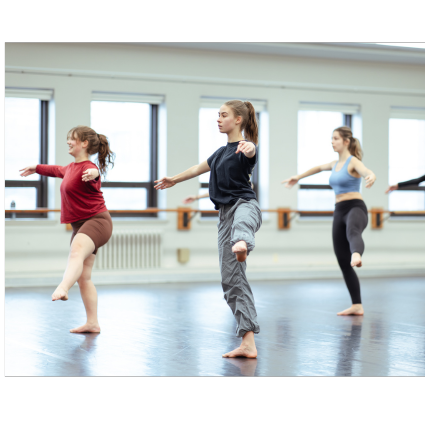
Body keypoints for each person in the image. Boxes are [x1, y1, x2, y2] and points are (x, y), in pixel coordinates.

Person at [155, 100, 262, 358]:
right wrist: (174, 180)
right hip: (225, 216)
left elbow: (251, 153)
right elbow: (196, 169)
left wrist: (250, 147)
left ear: (238, 120)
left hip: (245, 206)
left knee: (242, 226)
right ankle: (248, 342)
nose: (218, 119)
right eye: (217, 115)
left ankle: (243, 244)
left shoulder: (243, 148)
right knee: (231, 281)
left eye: (223, 115)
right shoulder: (219, 153)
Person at [19, 125, 115, 333]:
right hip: (81, 224)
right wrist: (36, 167)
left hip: (97, 221)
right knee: (84, 276)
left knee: (76, 253)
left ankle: (63, 287)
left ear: (84, 143)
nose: (68, 142)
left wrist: (93, 174)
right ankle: (92, 323)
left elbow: (94, 173)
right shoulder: (71, 168)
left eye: (72, 139)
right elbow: (56, 170)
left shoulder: (89, 168)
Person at [282, 126, 376, 316]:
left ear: (346, 141)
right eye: (332, 139)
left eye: (335, 138)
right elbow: (318, 168)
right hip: (339, 210)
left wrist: (370, 176)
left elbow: (365, 170)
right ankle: (357, 305)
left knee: (353, 233)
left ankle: (357, 254)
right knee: (342, 260)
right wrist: (298, 177)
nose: (332, 142)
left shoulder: (353, 161)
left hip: (355, 207)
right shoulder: (334, 164)